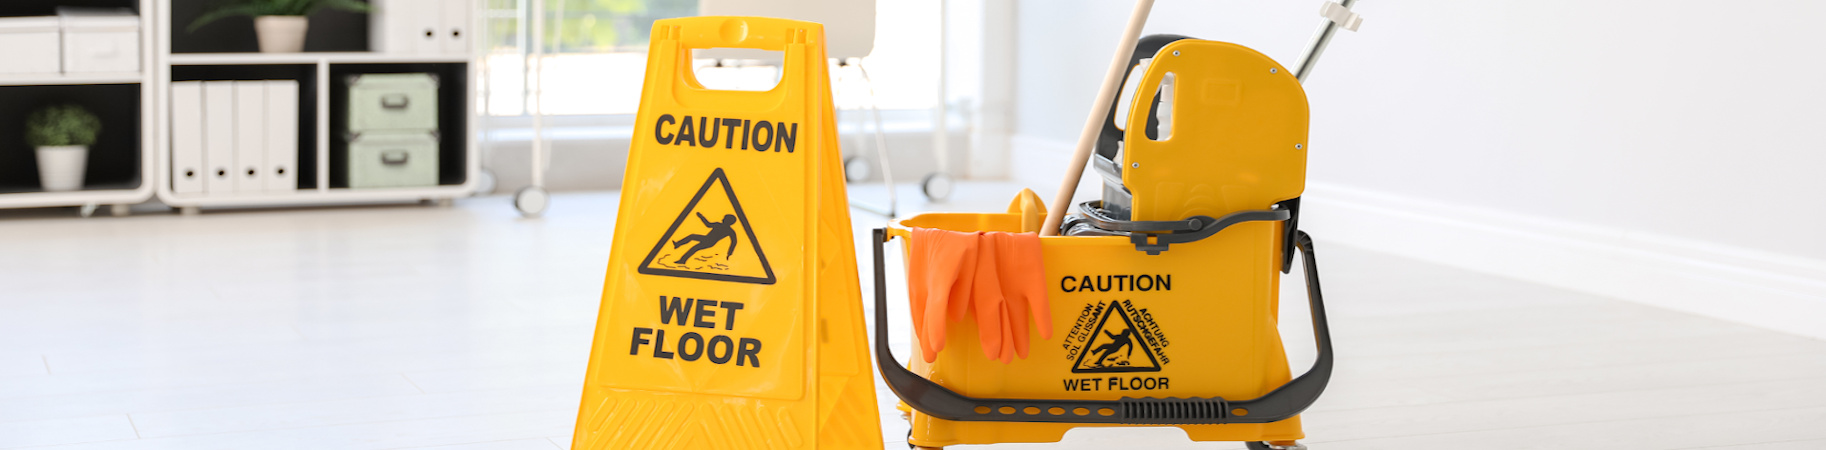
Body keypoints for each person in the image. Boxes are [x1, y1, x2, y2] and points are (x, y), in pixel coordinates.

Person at [671, 212, 738, 265]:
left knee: (693, 241)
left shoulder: (724, 228)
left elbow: (734, 242)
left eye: (724, 218)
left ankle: (680, 250)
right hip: (708, 240)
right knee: (693, 243)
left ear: (727, 221)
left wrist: (729, 253)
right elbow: (708, 225)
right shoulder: (728, 230)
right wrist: (729, 253)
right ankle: (681, 257)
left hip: (708, 241)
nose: (722, 219)